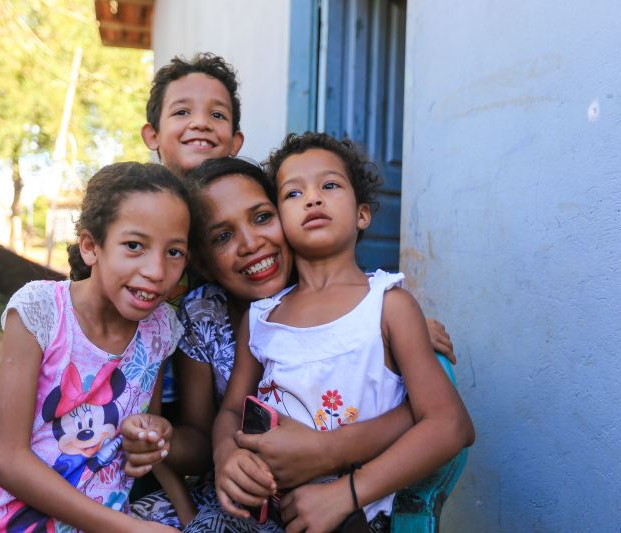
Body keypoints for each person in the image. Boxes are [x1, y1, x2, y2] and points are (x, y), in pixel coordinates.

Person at [127, 157, 458, 532]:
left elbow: (440, 418)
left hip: (345, 504)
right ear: (200, 260)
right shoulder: (207, 315)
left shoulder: (371, 309)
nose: (251, 243)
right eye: (222, 236)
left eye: (262, 217)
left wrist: (331, 453)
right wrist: (218, 454)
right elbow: (212, 429)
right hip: (248, 497)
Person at [211, 133, 475, 533]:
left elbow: (450, 425)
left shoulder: (388, 307)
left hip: (356, 519)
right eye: (293, 194)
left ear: (362, 214)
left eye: (329, 186)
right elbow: (231, 410)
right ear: (281, 218)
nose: (313, 199)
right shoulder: (262, 316)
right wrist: (225, 453)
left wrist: (348, 493)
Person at [0, 163, 197, 532]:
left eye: (175, 252)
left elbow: (141, 435)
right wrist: (128, 528)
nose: (156, 270)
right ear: (91, 247)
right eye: (134, 246)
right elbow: (7, 459)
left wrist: (190, 520)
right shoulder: (41, 311)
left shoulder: (160, 329)